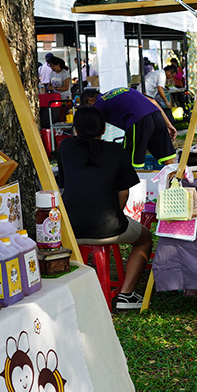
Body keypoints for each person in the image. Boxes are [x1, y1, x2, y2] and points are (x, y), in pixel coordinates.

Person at [57, 106, 153, 310]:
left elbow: (66, 183)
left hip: (69, 226)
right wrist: (114, 214)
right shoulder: (116, 151)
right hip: (108, 226)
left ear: (76, 128)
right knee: (145, 240)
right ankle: (126, 295)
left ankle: (79, 291)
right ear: (103, 129)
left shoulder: (66, 148)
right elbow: (124, 193)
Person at [82, 86, 178, 168]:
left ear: (90, 100)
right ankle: (176, 185)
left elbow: (93, 129)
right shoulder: (121, 91)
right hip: (157, 115)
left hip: (138, 120)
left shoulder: (99, 104)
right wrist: (169, 124)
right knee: (168, 158)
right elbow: (153, 101)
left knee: (129, 161)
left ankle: (134, 188)